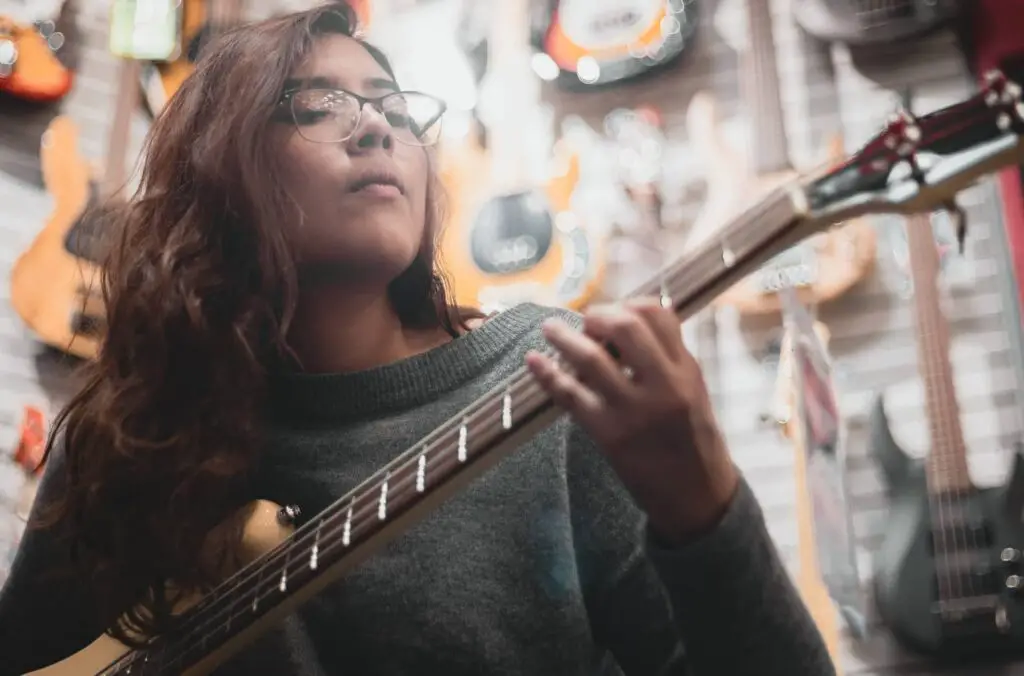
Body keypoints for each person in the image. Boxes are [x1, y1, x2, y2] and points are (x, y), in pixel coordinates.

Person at [0, 3, 835, 675]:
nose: (377, 130)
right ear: (220, 169)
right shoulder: (131, 434)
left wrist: (706, 505)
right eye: (319, 106)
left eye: (395, 108)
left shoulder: (553, 378)